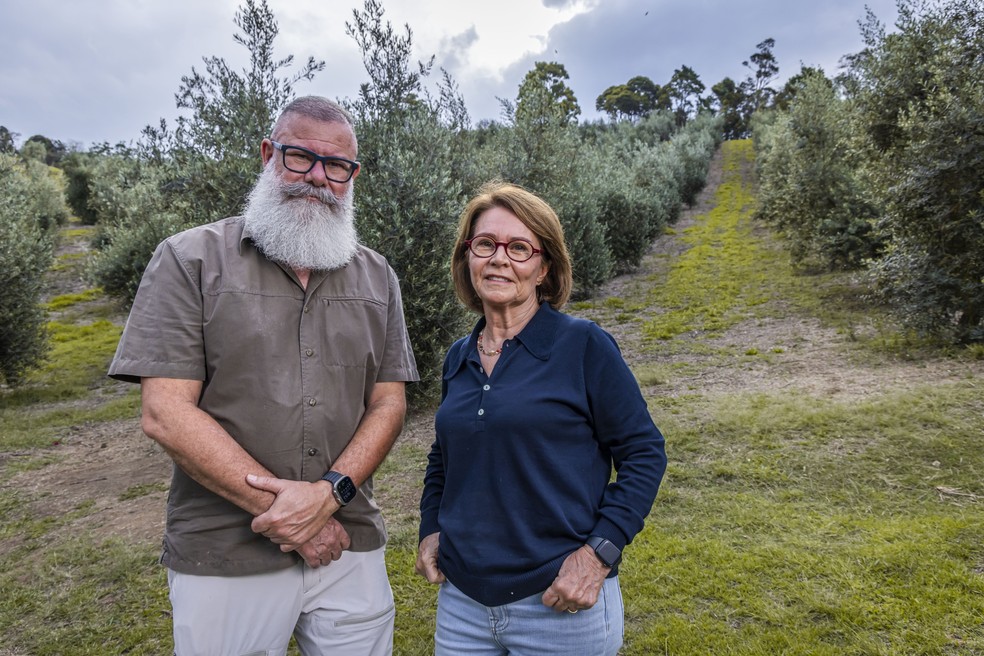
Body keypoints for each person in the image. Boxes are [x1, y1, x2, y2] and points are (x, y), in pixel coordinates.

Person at [108, 96, 419, 656]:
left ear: (352, 176)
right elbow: (166, 413)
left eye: (336, 166)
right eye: (300, 157)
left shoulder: (378, 276)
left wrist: (329, 496)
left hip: (348, 543)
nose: (318, 178)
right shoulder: (189, 260)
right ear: (268, 154)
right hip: (227, 553)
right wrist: (294, 516)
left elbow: (388, 404)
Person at [415, 182, 666, 655]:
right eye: (485, 244)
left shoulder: (583, 346)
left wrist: (599, 555)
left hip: (559, 603)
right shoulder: (458, 357)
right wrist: (430, 526)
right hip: (463, 605)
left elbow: (644, 452)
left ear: (544, 267)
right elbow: (443, 456)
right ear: (467, 257)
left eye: (519, 248)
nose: (499, 259)